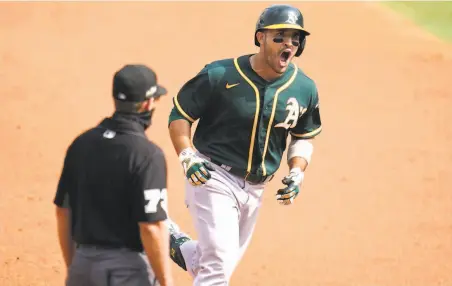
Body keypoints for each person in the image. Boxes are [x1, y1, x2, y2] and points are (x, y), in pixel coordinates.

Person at [165, 4, 323, 285]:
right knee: (217, 269)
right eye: (280, 36)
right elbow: (181, 114)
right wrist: (187, 155)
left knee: (213, 262)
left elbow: (303, 135)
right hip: (212, 176)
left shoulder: (304, 88)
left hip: (256, 189)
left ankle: (167, 237)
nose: (289, 43)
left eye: (295, 38)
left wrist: (298, 171)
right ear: (260, 37)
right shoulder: (220, 74)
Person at [53, 64, 174, 286]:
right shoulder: (148, 155)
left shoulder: (81, 144)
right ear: (147, 103)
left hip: (83, 265)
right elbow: (151, 227)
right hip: (127, 272)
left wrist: (76, 268)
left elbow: (62, 211)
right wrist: (166, 283)